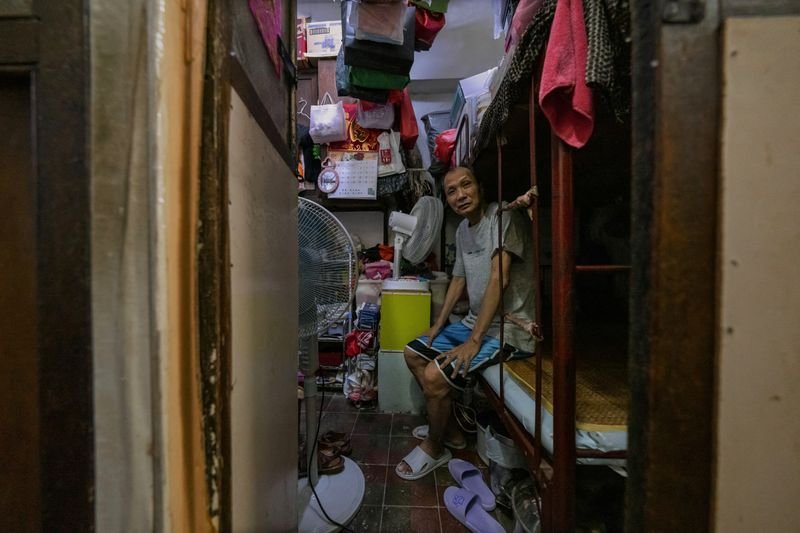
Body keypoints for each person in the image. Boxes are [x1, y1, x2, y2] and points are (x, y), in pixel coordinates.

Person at [395, 167, 536, 480]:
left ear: (480, 187)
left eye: (466, 185)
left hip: (509, 329)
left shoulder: (502, 217)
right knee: (413, 353)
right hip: (475, 322)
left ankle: (435, 446)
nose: (460, 195)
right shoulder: (461, 230)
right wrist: (439, 324)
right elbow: (458, 278)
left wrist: (474, 340)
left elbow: (500, 277)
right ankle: (453, 433)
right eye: (451, 191)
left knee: (434, 376)